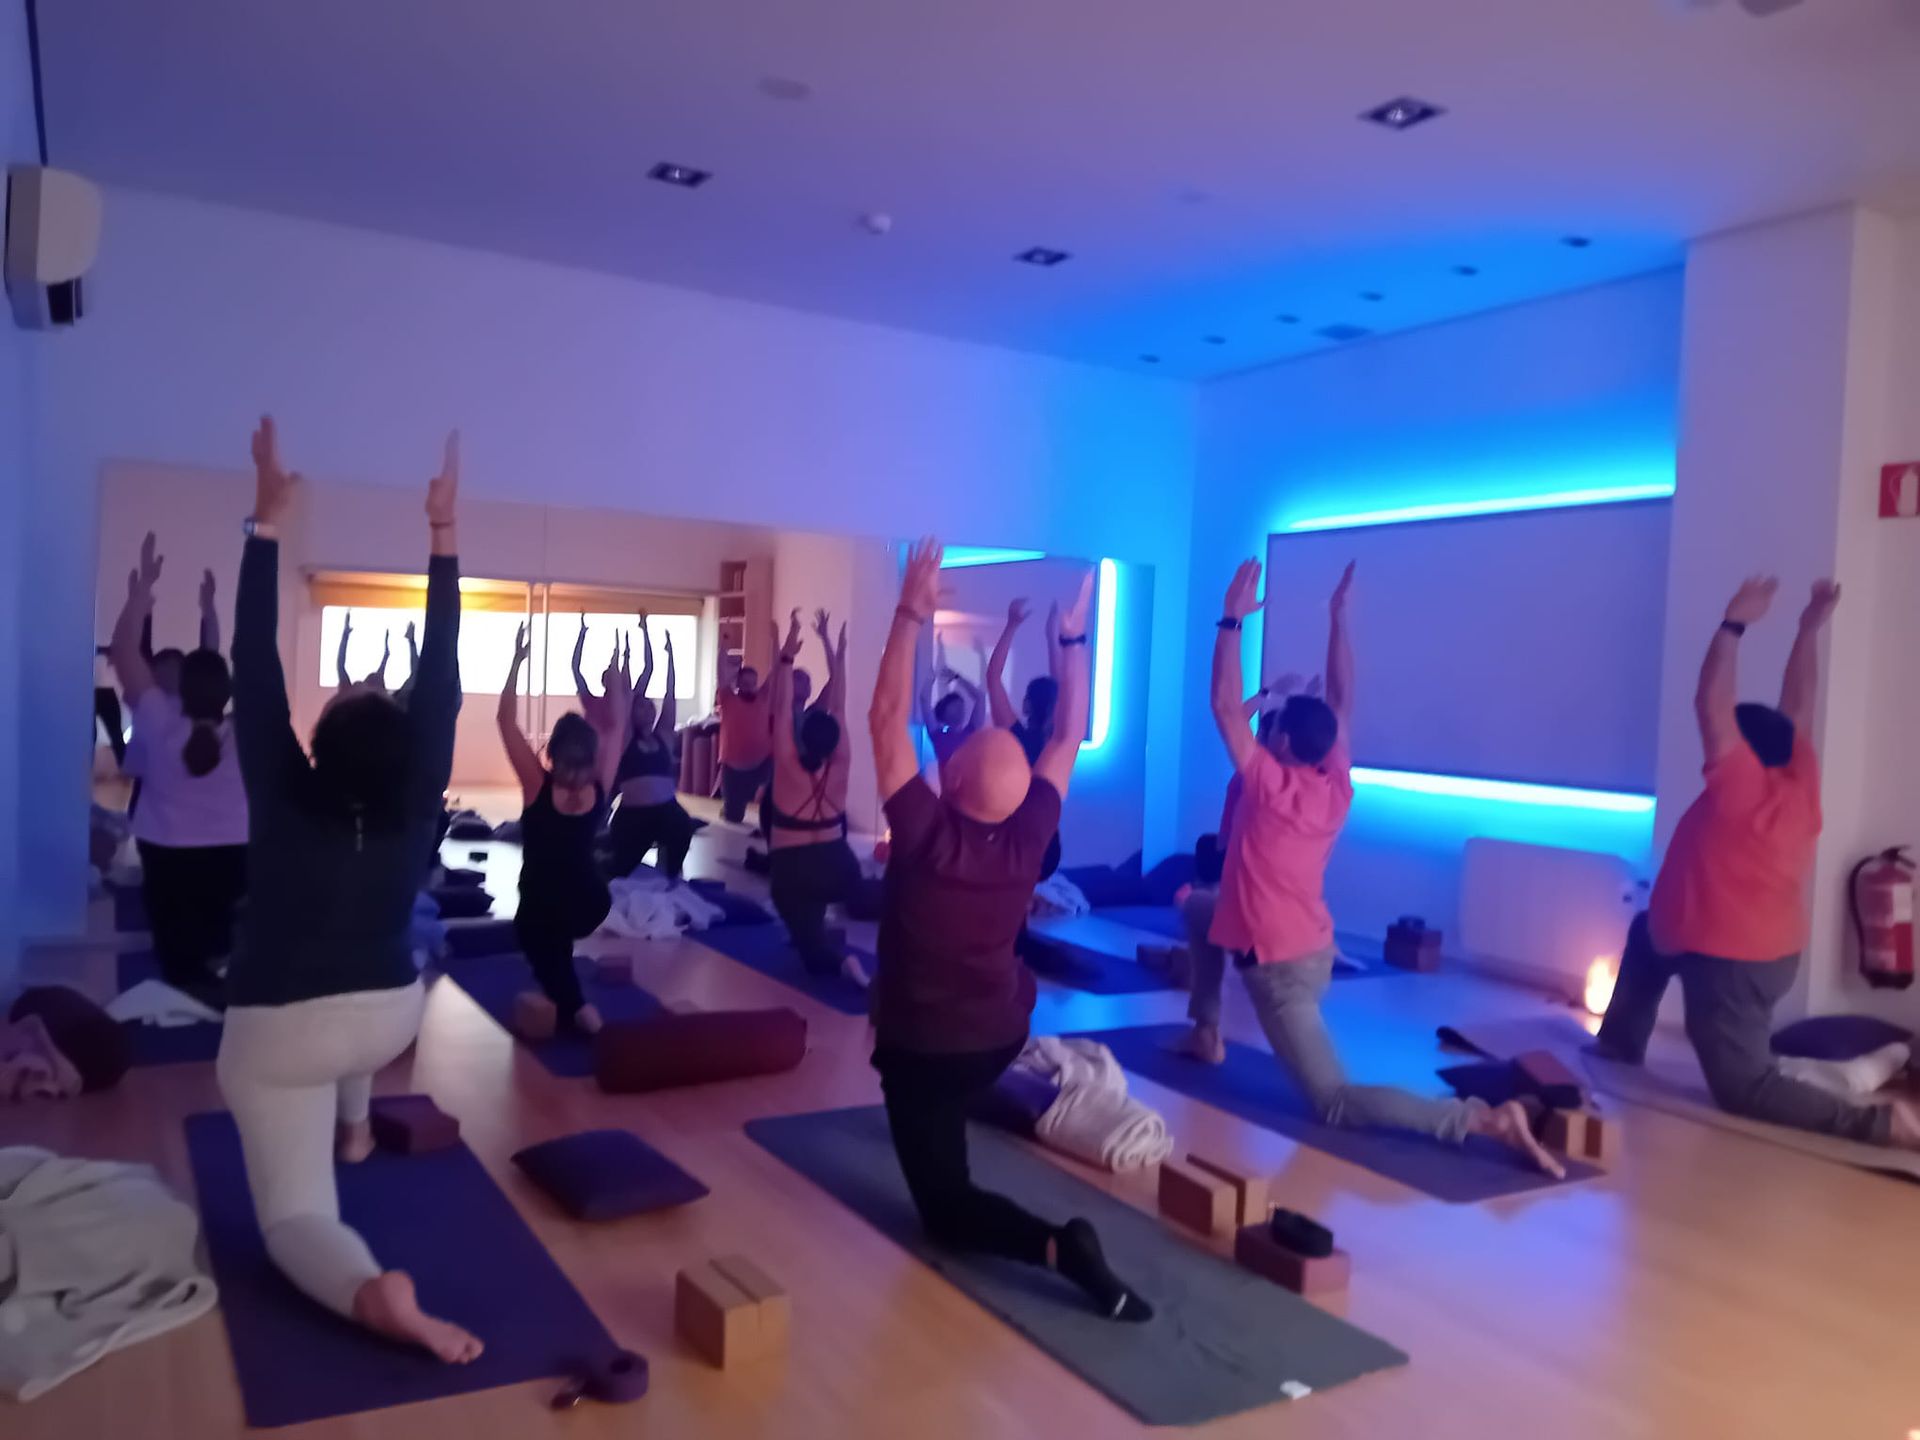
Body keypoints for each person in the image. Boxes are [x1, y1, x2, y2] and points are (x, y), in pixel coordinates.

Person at [219, 416, 482, 1364]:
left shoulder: (284, 793)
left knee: (295, 1216)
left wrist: (267, 523)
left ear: (321, 737)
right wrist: (443, 533)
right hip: (388, 1018)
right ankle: (358, 1131)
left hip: (282, 1032)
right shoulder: (418, 798)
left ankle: (366, 1283)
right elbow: (442, 676)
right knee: (353, 1012)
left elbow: (253, 665)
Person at [1186, 558, 1560, 1174]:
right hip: (1312, 948)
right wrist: (1338, 620)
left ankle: (1480, 1121)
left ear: (1282, 744)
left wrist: (1231, 619)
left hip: (1280, 971)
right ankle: (1206, 1030)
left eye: (1273, 728)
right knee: (1199, 910)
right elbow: (1341, 699)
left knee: (1334, 1102)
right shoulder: (1336, 783)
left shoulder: (1270, 786)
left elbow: (1227, 707)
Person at [870, 539, 1149, 1321]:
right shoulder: (1030, 836)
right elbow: (1067, 736)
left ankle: (1060, 1247)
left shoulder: (925, 832)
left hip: (926, 1046)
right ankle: (957, 1109)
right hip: (1000, 1033)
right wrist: (1073, 639)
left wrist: (911, 610)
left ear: (953, 778)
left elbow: (885, 717)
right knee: (948, 1089)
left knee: (945, 1209)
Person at [1594, 576, 1919, 1149]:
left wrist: (1732, 626)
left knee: (1744, 1086)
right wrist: (1808, 629)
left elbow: (1710, 704)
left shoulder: (1740, 786)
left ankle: (1879, 1125)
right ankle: (1619, 1048)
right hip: (1723, 943)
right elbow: (1800, 704)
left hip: (1730, 964)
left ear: (1742, 752)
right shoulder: (1800, 777)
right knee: (1646, 936)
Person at [106, 534, 248, 1008]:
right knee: (216, 929)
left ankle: (188, 981)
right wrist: (210, 614)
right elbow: (211, 668)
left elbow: (124, 652)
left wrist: (141, 592)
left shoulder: (159, 720)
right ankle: (215, 971)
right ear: (226, 693)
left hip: (168, 855)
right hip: (232, 857)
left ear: (181, 688)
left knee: (176, 941)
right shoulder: (243, 733)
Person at [500, 622, 627, 1036]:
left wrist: (517, 662)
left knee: (536, 936)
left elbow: (505, 722)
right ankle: (572, 998)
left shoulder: (537, 785)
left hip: (543, 901)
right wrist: (617, 677)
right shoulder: (601, 784)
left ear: (551, 753)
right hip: (591, 901)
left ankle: (580, 1009)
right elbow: (617, 726)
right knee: (555, 943)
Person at [766, 608, 868, 986]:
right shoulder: (841, 764)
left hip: (793, 871)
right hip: (839, 865)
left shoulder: (788, 768)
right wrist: (835, 650)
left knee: (811, 951)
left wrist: (786, 655)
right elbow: (838, 705)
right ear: (834, 740)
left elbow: (780, 706)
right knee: (862, 896)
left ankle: (841, 962)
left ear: (803, 736)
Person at [606, 618, 698, 880]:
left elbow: (670, 694)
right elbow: (624, 696)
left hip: (666, 813)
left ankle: (670, 871)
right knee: (617, 873)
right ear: (631, 712)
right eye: (640, 706)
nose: (647, 710)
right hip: (633, 818)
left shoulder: (664, 737)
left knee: (682, 827)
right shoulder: (625, 738)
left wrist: (670, 658)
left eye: (649, 706)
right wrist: (623, 655)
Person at [715, 653, 774, 824]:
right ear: (738, 684)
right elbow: (721, 674)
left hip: (761, 765)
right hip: (733, 768)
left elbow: (776, 671)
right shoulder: (728, 699)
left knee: (771, 806)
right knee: (733, 818)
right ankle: (729, 807)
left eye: (753, 684)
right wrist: (724, 647)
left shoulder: (763, 697)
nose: (750, 687)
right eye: (745, 684)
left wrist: (781, 647)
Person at [918, 635, 984, 787]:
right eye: (955, 708)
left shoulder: (971, 731)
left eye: (961, 707)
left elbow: (980, 697)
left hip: (973, 795)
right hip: (950, 797)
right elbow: (924, 700)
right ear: (944, 714)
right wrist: (930, 678)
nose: (960, 711)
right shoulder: (938, 736)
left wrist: (957, 677)